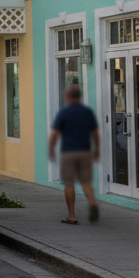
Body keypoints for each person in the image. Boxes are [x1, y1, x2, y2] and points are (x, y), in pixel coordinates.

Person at [48, 83, 100, 225]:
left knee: (69, 183)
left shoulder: (65, 112)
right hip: (85, 151)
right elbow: (95, 133)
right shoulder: (87, 112)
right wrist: (97, 150)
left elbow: (55, 133)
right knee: (86, 181)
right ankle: (92, 203)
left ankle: (72, 216)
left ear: (69, 96)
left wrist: (51, 149)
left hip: (69, 153)